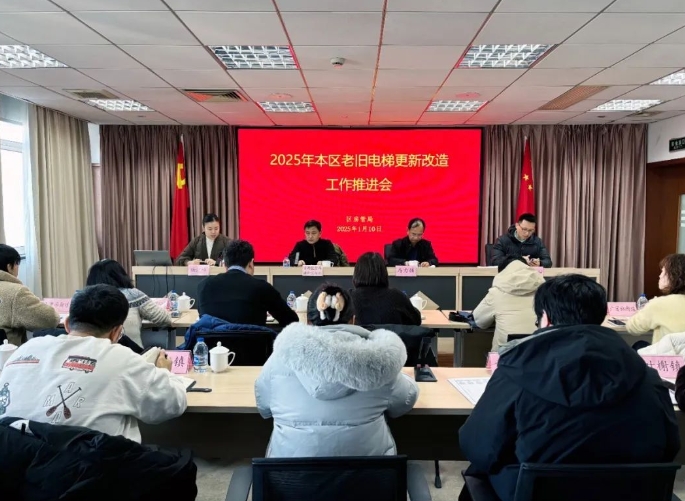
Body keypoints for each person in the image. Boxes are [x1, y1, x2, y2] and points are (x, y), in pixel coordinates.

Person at [458, 275, 679, 501]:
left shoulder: (516, 372)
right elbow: (670, 447)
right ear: (602, 315)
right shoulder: (648, 377)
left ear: (545, 318)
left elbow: (478, 446)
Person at [0, 284, 187, 443]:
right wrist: (165, 372)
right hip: (91, 469)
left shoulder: (26, 349)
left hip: (16, 466)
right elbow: (172, 403)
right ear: (117, 332)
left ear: (67, 324)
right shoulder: (120, 358)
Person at [255, 283, 419, 457]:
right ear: (353, 320)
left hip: (289, 473)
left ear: (308, 321)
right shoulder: (380, 362)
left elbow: (264, 407)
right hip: (368, 473)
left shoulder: (280, 358)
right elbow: (405, 401)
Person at [198, 239, 298, 327]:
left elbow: (203, 319)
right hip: (253, 343)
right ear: (251, 263)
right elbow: (291, 320)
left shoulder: (204, 285)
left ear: (225, 264)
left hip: (213, 343)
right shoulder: (262, 288)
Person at [86, 259, 171, 347]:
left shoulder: (85, 299)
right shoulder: (133, 295)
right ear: (120, 276)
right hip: (132, 352)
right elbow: (164, 318)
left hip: (95, 353)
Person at [472, 256, 545, 351]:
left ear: (502, 273)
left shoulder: (496, 292)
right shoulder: (544, 291)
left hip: (505, 354)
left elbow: (480, 321)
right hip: (539, 352)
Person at [0, 244, 59, 345]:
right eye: (17, 263)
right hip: (11, 354)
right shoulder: (15, 293)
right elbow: (50, 319)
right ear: (9, 267)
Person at [627, 254, 685, 344]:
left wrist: (645, 309)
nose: (660, 276)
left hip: (666, 353)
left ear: (674, 276)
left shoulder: (660, 304)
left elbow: (632, 328)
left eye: (663, 272)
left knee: (639, 344)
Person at [350, 252, 421, 326]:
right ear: (383, 272)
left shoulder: (349, 298)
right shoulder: (397, 296)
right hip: (391, 334)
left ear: (357, 273)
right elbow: (416, 320)